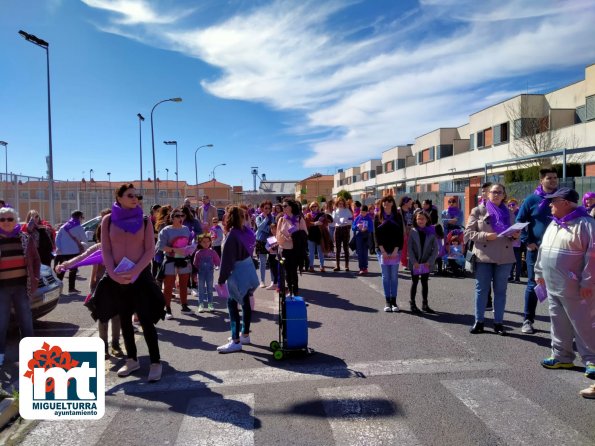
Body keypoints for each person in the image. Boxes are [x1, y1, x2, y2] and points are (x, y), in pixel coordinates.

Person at [98, 184, 163, 382]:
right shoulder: (108, 220)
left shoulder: (144, 220)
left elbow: (150, 250)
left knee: (145, 319)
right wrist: (113, 274)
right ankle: (132, 359)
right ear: (118, 198)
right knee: (124, 319)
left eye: (136, 196)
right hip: (117, 276)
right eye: (130, 195)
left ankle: (155, 362)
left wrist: (135, 271)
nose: (135, 199)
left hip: (139, 276)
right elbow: (106, 250)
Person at [534, 188, 594, 380]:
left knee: (584, 323)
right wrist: (539, 272)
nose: (550, 205)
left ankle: (592, 359)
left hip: (576, 287)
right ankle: (562, 356)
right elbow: (543, 250)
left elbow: (592, 257)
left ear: (566, 203)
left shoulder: (586, 224)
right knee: (558, 320)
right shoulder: (554, 224)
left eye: (554, 201)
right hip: (553, 285)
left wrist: (588, 282)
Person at [56, 208, 123, 360]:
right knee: (103, 318)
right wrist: (65, 264)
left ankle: (116, 344)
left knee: (117, 317)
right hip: (100, 287)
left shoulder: (122, 248)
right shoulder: (99, 248)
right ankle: (104, 347)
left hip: (119, 287)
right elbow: (82, 257)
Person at [465, 183, 519, 335]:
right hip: (484, 256)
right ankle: (479, 321)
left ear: (504, 195)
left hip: (505, 257)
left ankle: (498, 323)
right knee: (481, 290)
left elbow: (514, 235)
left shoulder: (509, 213)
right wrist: (485, 236)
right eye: (493, 192)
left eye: (499, 192)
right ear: (488, 194)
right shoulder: (478, 211)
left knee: (501, 291)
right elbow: (468, 233)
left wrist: (515, 235)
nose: (496, 195)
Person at [515, 167, 558, 335]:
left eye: (555, 177)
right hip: (537, 251)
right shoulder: (532, 199)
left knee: (560, 286)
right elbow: (520, 220)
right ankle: (528, 320)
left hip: (558, 251)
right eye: (549, 178)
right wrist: (528, 241)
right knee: (534, 284)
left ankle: (561, 325)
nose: (553, 180)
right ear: (542, 180)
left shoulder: (560, 198)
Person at [0, 207, 40, 367]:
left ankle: (30, 354)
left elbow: (36, 260)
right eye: (2, 219)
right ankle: (0, 354)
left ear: (16, 221)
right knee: (1, 324)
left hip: (21, 287)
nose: (6, 222)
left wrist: (35, 278)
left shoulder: (24, 238)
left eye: (10, 219)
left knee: (26, 322)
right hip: (1, 289)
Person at [216, 206, 259, 353]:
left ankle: (235, 341)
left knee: (232, 305)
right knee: (245, 302)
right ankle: (245, 334)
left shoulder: (232, 235)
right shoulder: (248, 232)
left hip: (237, 272)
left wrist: (221, 279)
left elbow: (227, 261)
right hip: (248, 269)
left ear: (228, 218)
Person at [156, 207, 194, 319]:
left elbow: (188, 242)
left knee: (184, 284)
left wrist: (190, 248)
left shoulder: (186, 229)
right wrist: (174, 250)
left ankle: (184, 306)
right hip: (170, 260)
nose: (181, 218)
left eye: (182, 216)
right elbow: (160, 247)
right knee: (168, 286)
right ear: (172, 218)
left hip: (184, 259)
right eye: (177, 216)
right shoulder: (166, 230)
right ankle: (167, 309)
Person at [374, 195, 404, 312]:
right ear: (381, 203)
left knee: (394, 276)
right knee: (386, 277)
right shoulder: (378, 216)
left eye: (389, 201)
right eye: (384, 201)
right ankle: (387, 301)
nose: (386, 203)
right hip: (382, 251)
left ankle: (394, 301)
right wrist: (383, 251)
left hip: (396, 250)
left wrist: (396, 249)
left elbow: (400, 234)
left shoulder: (397, 216)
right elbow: (376, 235)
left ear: (392, 203)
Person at [408, 211, 439, 314]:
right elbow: (410, 248)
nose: (420, 221)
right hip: (415, 262)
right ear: (415, 220)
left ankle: (425, 304)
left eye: (423, 219)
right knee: (415, 282)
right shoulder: (413, 231)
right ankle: (412, 304)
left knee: (424, 283)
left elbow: (435, 249)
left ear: (427, 220)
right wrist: (414, 262)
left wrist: (430, 261)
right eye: (418, 219)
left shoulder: (431, 231)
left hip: (426, 262)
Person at [276, 198, 308, 296]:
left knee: (293, 271)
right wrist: (286, 237)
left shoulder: (299, 219)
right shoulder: (281, 219)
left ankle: (295, 292)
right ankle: (289, 289)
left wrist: (295, 236)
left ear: (291, 207)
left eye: (285, 206)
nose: (283, 207)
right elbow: (277, 236)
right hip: (284, 249)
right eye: (282, 206)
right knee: (286, 272)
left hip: (295, 249)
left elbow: (305, 233)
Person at [55, 210, 86, 295]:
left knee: (61, 270)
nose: (82, 219)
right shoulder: (79, 227)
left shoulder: (63, 227)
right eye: (82, 217)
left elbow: (57, 239)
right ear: (79, 217)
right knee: (73, 271)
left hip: (63, 253)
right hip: (74, 252)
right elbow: (84, 239)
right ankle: (71, 289)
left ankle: (58, 289)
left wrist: (59, 248)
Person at [193, 233, 220, 313]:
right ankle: (201, 304)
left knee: (210, 289)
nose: (206, 243)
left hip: (210, 274)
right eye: (203, 242)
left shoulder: (213, 252)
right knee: (200, 289)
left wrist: (217, 267)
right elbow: (195, 265)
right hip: (200, 274)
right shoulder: (198, 253)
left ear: (210, 242)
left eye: (208, 241)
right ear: (200, 243)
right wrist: (195, 276)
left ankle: (210, 304)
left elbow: (218, 262)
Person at [255, 200, 275, 287]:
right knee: (262, 262)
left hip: (271, 241)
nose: (267, 210)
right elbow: (259, 227)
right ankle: (262, 281)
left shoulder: (273, 217)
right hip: (261, 241)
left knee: (272, 262)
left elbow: (273, 228)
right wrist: (266, 220)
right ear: (262, 208)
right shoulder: (258, 217)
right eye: (265, 208)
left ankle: (273, 281)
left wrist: (266, 228)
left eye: (269, 208)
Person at [305, 201, 328, 273]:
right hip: (310, 235)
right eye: (312, 206)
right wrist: (315, 223)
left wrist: (322, 223)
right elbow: (307, 224)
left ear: (318, 207)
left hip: (319, 235)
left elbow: (326, 223)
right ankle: (311, 266)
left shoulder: (322, 215)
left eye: (315, 206)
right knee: (311, 252)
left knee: (320, 252)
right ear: (310, 207)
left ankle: (322, 266)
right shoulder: (308, 215)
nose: (314, 207)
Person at [352, 204, 374, 275]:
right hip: (359, 237)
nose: (362, 214)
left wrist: (367, 228)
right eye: (361, 212)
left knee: (365, 253)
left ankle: (365, 268)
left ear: (367, 212)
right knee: (359, 253)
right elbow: (353, 227)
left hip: (366, 237)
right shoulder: (358, 218)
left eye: (364, 212)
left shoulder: (369, 218)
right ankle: (361, 268)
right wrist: (357, 226)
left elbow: (372, 228)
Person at [332, 197, 353, 272]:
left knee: (345, 248)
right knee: (337, 249)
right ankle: (337, 266)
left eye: (342, 203)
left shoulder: (347, 210)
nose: (341, 205)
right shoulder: (335, 211)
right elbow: (333, 221)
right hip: (337, 229)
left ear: (344, 203)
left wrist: (346, 222)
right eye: (339, 203)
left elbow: (351, 219)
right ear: (337, 204)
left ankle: (346, 266)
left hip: (345, 229)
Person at [506, 198, 523, 283]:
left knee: (517, 260)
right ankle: (510, 276)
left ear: (516, 205)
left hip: (518, 241)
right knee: (510, 259)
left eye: (513, 205)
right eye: (509, 205)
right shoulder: (507, 215)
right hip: (509, 241)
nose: (511, 207)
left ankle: (517, 277)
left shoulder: (519, 215)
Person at [399, 196, 414, 268]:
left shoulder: (411, 210)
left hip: (410, 231)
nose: (411, 203)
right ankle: (404, 263)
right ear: (405, 203)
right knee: (404, 248)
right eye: (410, 202)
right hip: (402, 232)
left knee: (410, 248)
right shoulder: (399, 211)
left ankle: (409, 262)